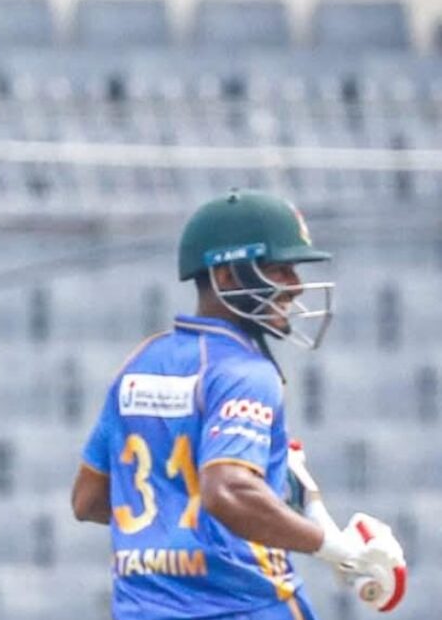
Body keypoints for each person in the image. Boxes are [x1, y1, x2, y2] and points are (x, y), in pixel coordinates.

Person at [70, 190, 398, 619]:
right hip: (247, 607)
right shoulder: (245, 372)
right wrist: (336, 549)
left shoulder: (140, 363)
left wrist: (174, 533)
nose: (296, 285)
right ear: (225, 277)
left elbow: (88, 499)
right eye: (278, 269)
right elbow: (227, 491)